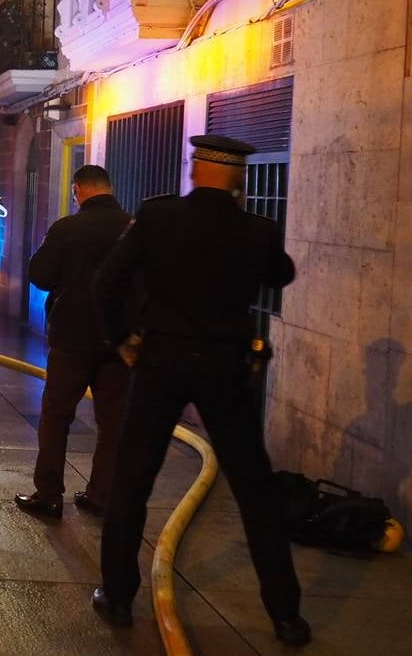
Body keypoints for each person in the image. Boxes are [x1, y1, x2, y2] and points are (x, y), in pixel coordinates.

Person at [90, 135, 310, 647]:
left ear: (193, 169)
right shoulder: (257, 230)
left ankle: (119, 598)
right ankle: (286, 616)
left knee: (132, 480)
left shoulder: (158, 218)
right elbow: (282, 275)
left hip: (160, 361)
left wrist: (121, 339)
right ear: (238, 178)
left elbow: (107, 282)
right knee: (254, 489)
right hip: (226, 366)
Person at [14, 164, 131, 520]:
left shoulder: (67, 228)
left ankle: (48, 494)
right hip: (119, 342)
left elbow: (41, 276)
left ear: (78, 189)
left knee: (56, 415)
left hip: (71, 338)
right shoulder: (133, 229)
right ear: (109, 189)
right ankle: (101, 495)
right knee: (113, 422)